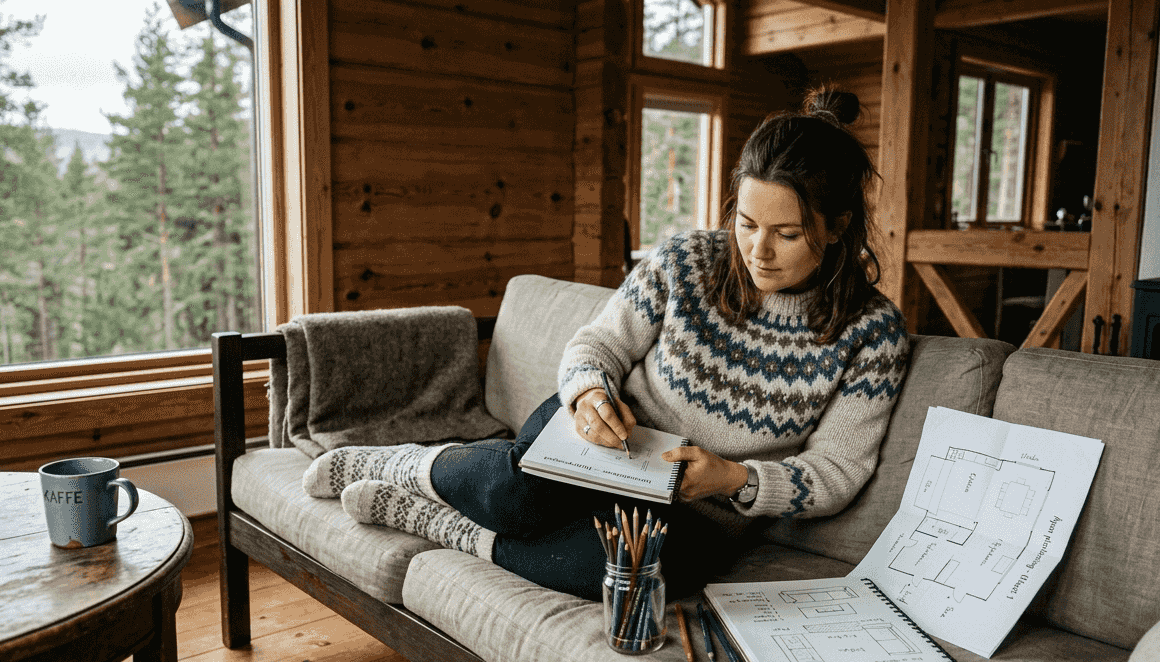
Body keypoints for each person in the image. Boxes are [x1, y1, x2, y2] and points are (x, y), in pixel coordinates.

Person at [302, 87, 910, 601]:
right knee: (517, 497)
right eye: (746, 224)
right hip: (602, 439)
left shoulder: (872, 334)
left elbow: (836, 473)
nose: (758, 251)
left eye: (788, 234)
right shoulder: (687, 261)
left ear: (837, 227)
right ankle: (405, 464)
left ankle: (451, 528)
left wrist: (733, 478)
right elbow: (598, 345)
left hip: (699, 508)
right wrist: (590, 393)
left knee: (632, 571)